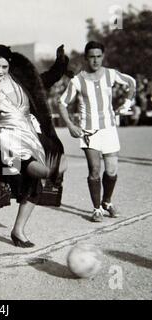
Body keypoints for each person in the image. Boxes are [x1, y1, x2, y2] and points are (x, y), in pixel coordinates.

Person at [0, 44, 69, 247]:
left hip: (29, 132)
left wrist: (60, 66)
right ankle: (50, 172)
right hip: (2, 134)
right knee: (26, 162)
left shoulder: (23, 80)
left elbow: (43, 81)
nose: (0, 71)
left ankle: (18, 231)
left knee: (34, 186)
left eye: (4, 66)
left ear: (9, 65)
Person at [58, 41, 136, 222]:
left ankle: (107, 202)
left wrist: (127, 103)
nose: (95, 60)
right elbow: (61, 103)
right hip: (89, 130)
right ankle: (97, 208)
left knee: (112, 170)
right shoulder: (77, 80)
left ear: (103, 56)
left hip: (109, 129)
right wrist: (70, 125)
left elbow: (131, 83)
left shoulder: (110, 74)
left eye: (99, 56)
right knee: (94, 169)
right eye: (92, 57)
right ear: (86, 58)